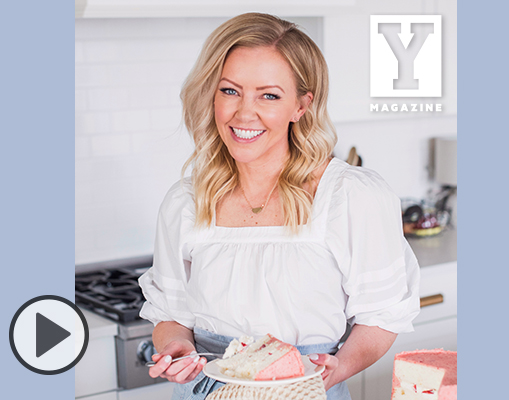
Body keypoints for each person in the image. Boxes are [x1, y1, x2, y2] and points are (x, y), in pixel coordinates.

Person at [138, 12, 420, 400]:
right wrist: (178, 347)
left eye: (268, 95)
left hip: (308, 389)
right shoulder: (186, 202)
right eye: (229, 91)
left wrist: (339, 367)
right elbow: (170, 314)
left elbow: (382, 317)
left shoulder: (351, 197)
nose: (243, 113)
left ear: (302, 105)